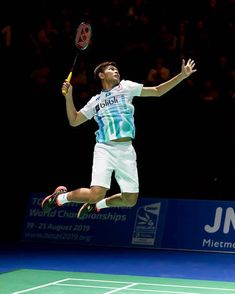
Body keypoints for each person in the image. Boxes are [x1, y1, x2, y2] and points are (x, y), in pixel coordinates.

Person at [41, 59, 197, 219]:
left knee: (129, 200)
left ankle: (97, 206)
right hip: (105, 148)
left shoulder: (126, 87)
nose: (116, 71)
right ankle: (60, 198)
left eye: (116, 69)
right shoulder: (95, 101)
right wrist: (69, 96)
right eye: (110, 69)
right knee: (96, 194)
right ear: (101, 75)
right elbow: (74, 121)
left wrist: (182, 76)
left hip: (126, 150)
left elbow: (157, 91)